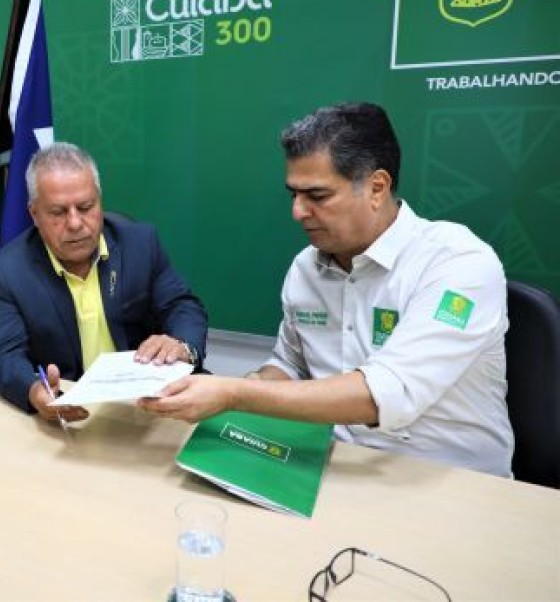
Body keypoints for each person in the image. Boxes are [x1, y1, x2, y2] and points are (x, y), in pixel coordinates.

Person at [141, 102, 514, 476]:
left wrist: (232, 394)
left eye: (317, 197)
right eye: (293, 195)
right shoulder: (307, 267)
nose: (298, 212)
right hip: (330, 467)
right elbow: (290, 365)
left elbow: (385, 393)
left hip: (447, 480)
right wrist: (239, 386)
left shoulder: (458, 262)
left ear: (377, 188)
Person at [0, 142, 208, 422]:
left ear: (99, 202)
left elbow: (182, 306)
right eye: (58, 212)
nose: (75, 223)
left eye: (85, 207)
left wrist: (182, 345)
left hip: (148, 404)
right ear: (34, 214)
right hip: (74, 410)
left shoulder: (139, 243)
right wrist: (34, 391)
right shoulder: (8, 271)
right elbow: (5, 356)